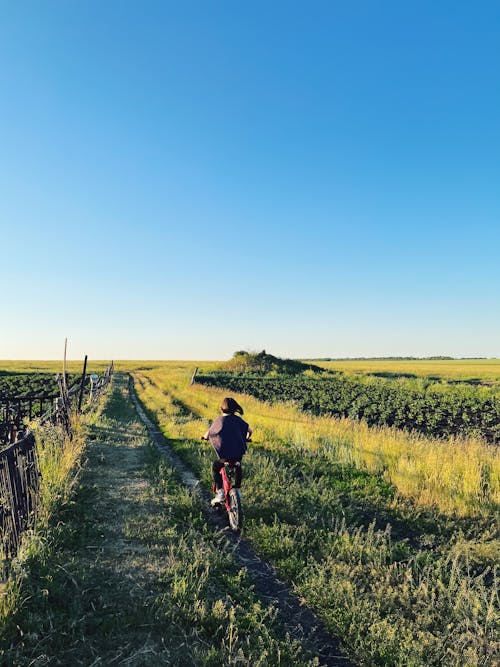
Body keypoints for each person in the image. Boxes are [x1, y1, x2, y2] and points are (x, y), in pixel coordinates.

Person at [201, 397, 252, 506]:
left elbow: (210, 432)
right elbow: (249, 431)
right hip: (237, 455)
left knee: (215, 467)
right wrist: (246, 438)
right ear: (234, 409)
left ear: (222, 408)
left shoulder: (219, 420)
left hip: (224, 457)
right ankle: (237, 488)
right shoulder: (238, 420)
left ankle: (220, 492)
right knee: (238, 465)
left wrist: (204, 437)